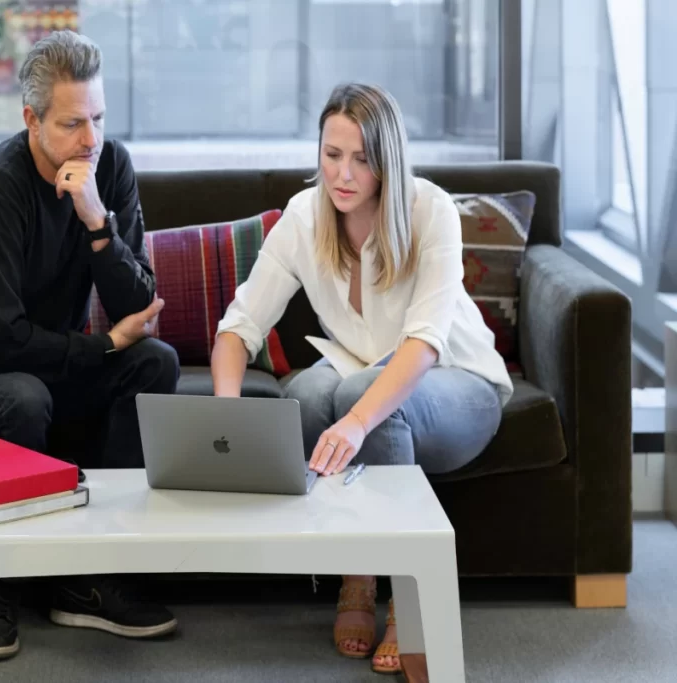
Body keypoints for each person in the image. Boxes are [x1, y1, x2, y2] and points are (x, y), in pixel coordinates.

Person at [0, 30, 181, 661]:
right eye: (72, 123)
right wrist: (104, 344)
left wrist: (98, 224)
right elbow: (0, 346)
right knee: (21, 398)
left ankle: (91, 578)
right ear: (31, 119)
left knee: (155, 365)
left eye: (99, 119)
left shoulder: (110, 167)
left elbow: (142, 309)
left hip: (40, 366)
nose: (91, 139)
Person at [210, 83, 513, 675]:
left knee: (353, 395)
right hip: (358, 367)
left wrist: (356, 420)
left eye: (361, 158)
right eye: (331, 154)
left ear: (387, 160)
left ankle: (401, 591)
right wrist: (227, 414)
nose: (343, 174)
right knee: (301, 394)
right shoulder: (305, 215)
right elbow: (237, 330)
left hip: (460, 381)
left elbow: (424, 343)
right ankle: (358, 567)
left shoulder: (431, 211)